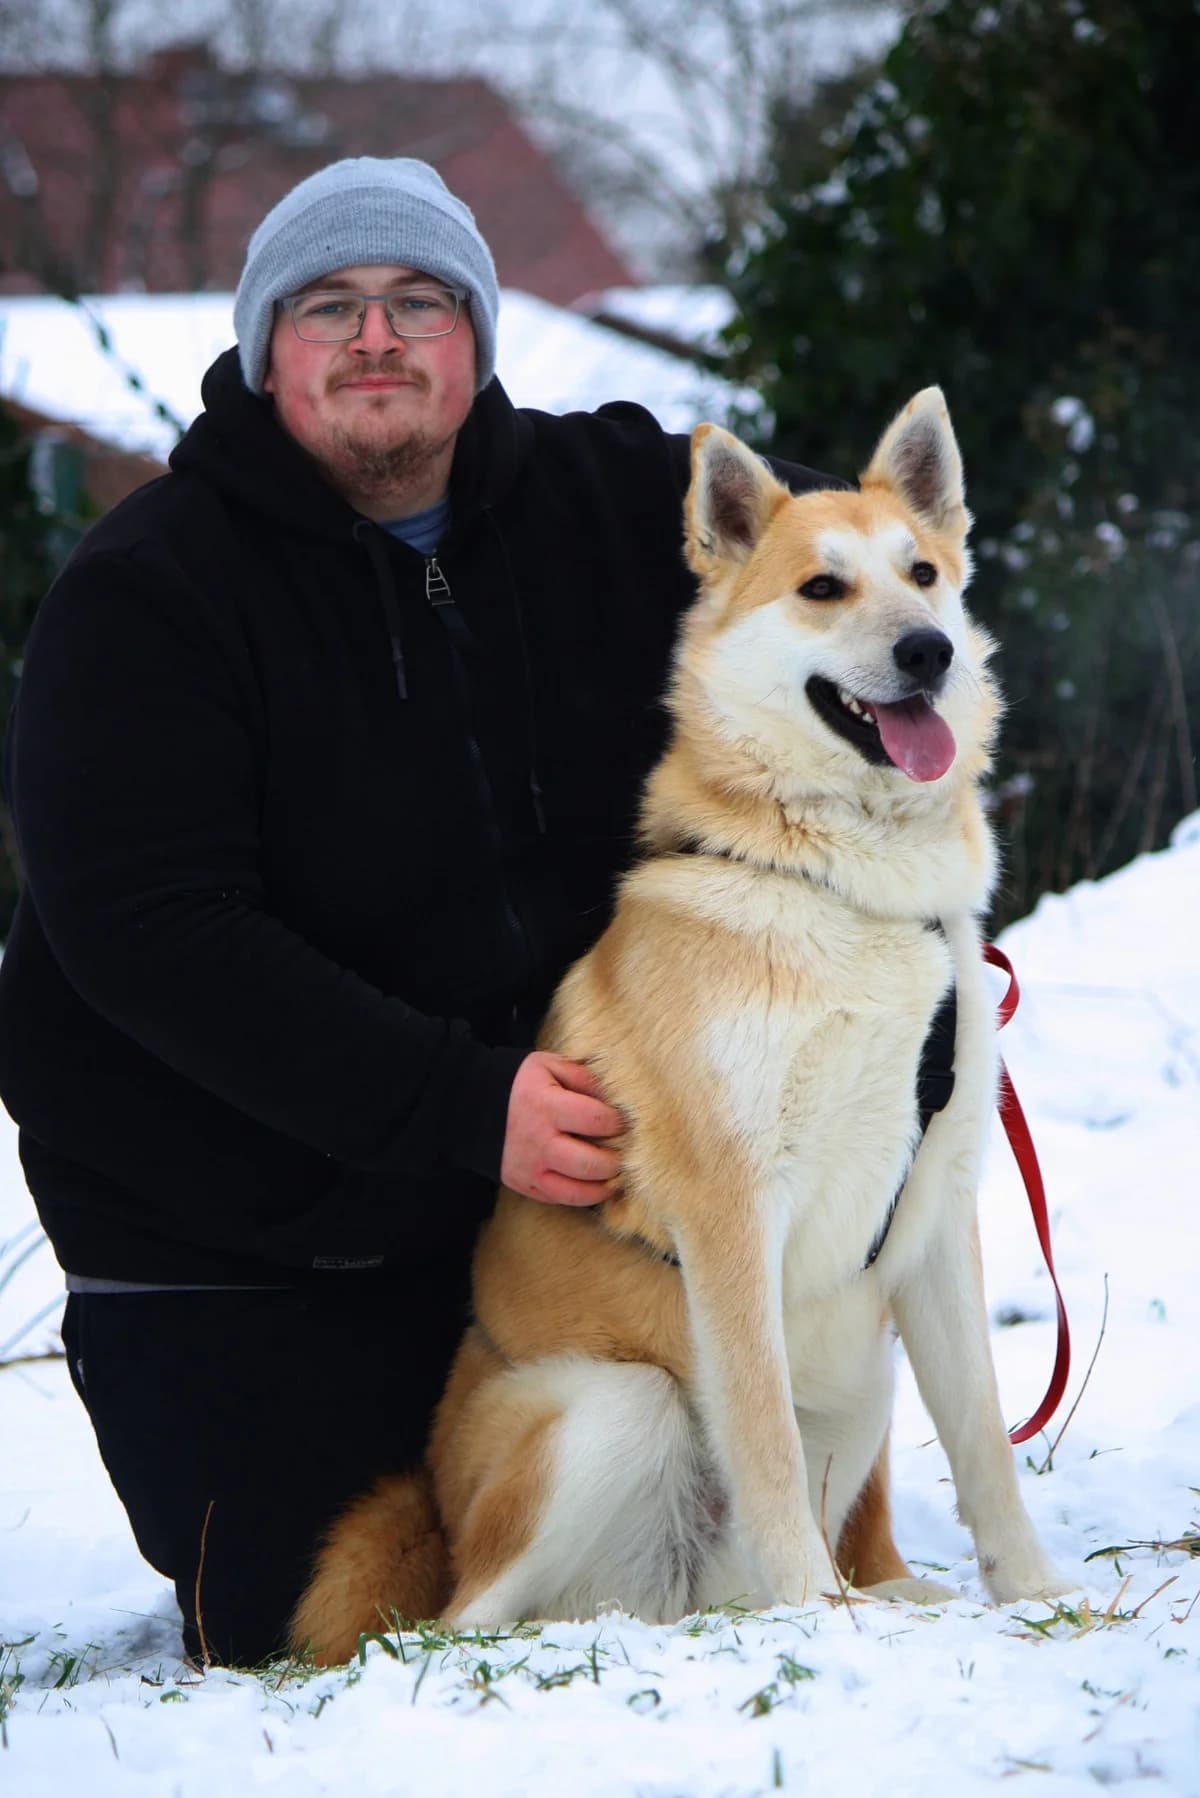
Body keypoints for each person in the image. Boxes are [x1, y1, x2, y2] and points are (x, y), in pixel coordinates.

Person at [0, 157, 838, 1666]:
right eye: (329, 306)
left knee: (704, 1550)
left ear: (480, 342)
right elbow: (153, 933)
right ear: (266, 352)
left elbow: (832, 632)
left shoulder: (621, 502)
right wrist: (462, 1098)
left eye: (419, 303)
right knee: (327, 1617)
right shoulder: (147, 595)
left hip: (558, 1215)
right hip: (246, 1254)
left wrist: (890, 904)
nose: (375, 337)